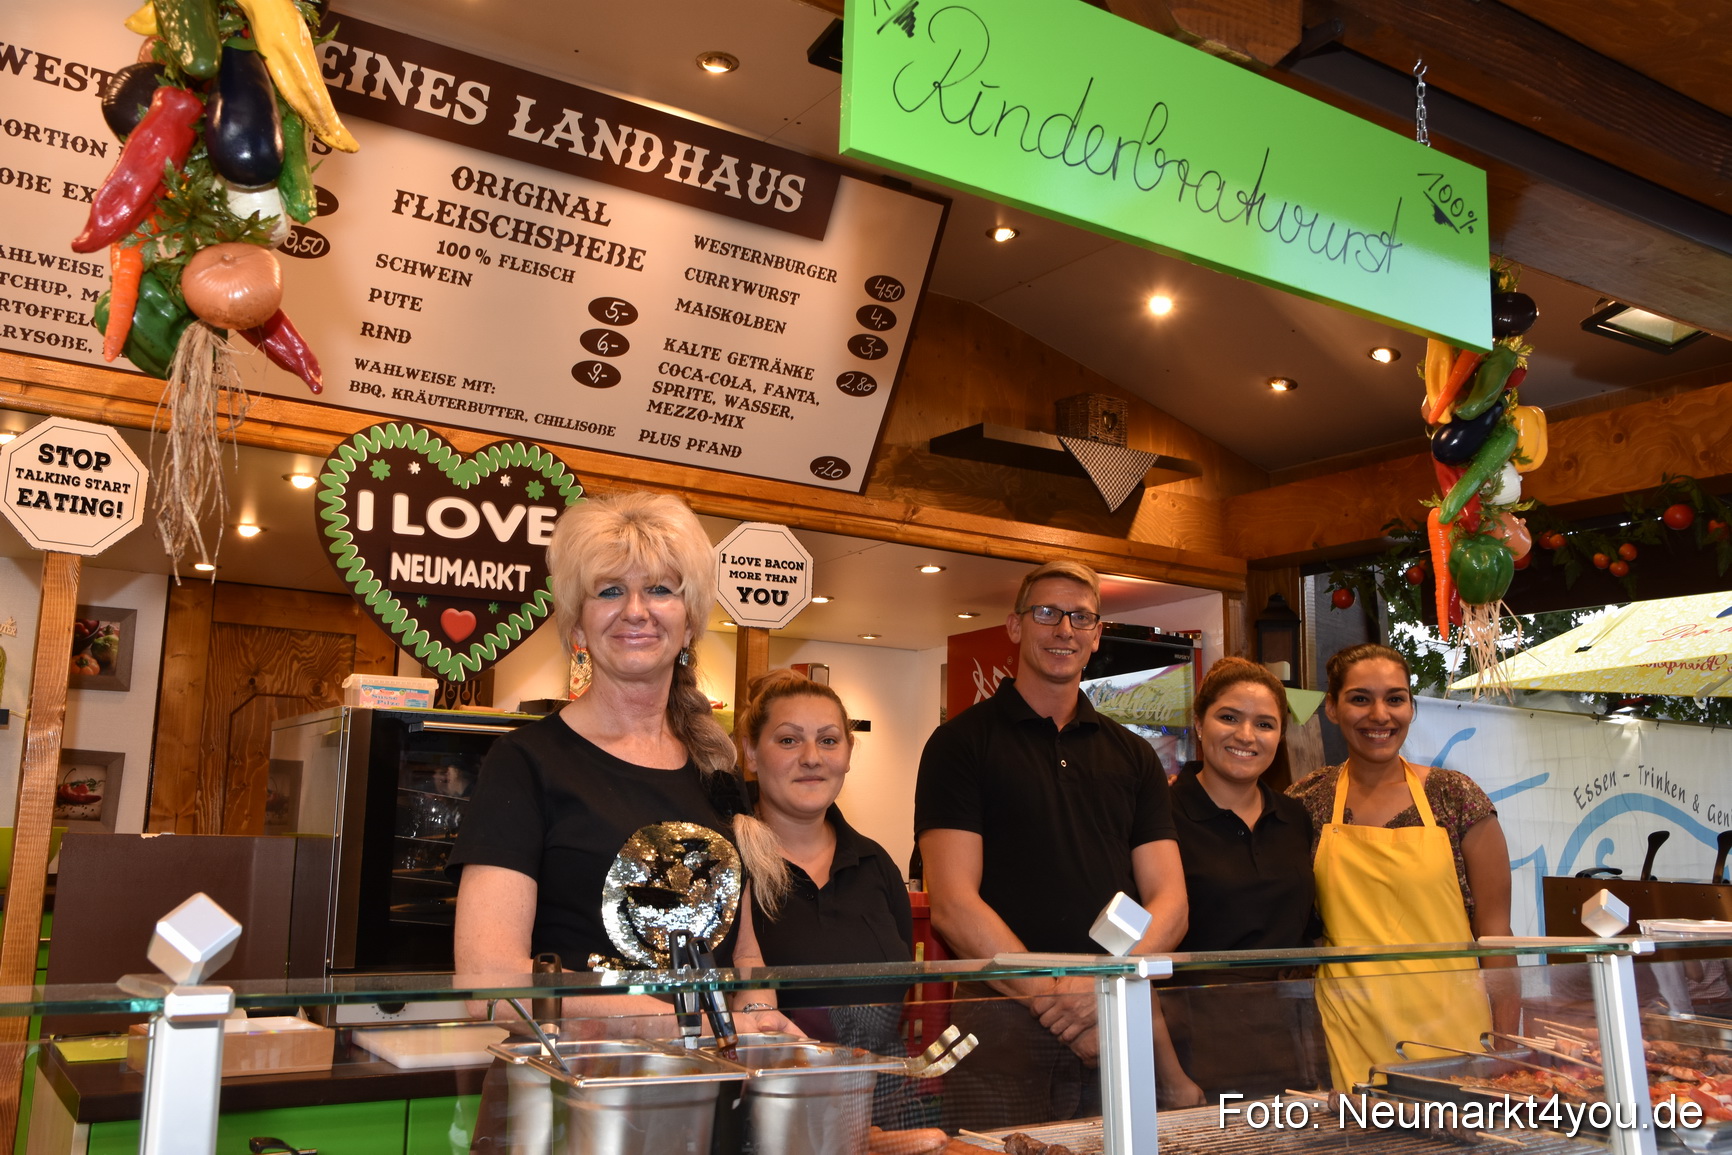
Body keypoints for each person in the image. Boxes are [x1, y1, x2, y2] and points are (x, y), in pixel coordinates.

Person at [449, 491, 790, 1040]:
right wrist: (689, 1026)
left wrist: (759, 1022)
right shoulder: (525, 763)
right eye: (610, 591)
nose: (637, 610)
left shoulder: (717, 770)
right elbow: (488, 987)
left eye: (660, 589)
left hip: (705, 1097)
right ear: (578, 627)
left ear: (690, 623)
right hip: (573, 1103)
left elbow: (745, 955)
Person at [914, 559, 1189, 1130]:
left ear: (1095, 637)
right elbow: (955, 906)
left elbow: (1171, 902)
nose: (1064, 628)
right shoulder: (960, 744)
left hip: (1115, 1018)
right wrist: (1059, 1000)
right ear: (1015, 627)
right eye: (1047, 613)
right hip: (1002, 1019)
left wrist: (1102, 993)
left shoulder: (1134, 756)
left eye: (1081, 618)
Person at [1288, 642, 1514, 1089]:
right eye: (1359, 698)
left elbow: (1497, 935)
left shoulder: (1455, 797)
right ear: (1332, 708)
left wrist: (1506, 1045)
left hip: (1457, 1032)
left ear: (1411, 707)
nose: (1380, 714)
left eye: (1395, 698)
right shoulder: (1306, 800)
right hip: (1349, 1028)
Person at [1163, 656, 1321, 1098]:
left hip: (1288, 1042)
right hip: (1193, 1047)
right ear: (1199, 722)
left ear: (1281, 736)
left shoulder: (1294, 816)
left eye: (1265, 724)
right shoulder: (1160, 816)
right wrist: (1173, 1079)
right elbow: (1139, 961)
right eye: (1229, 717)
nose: (1246, 736)